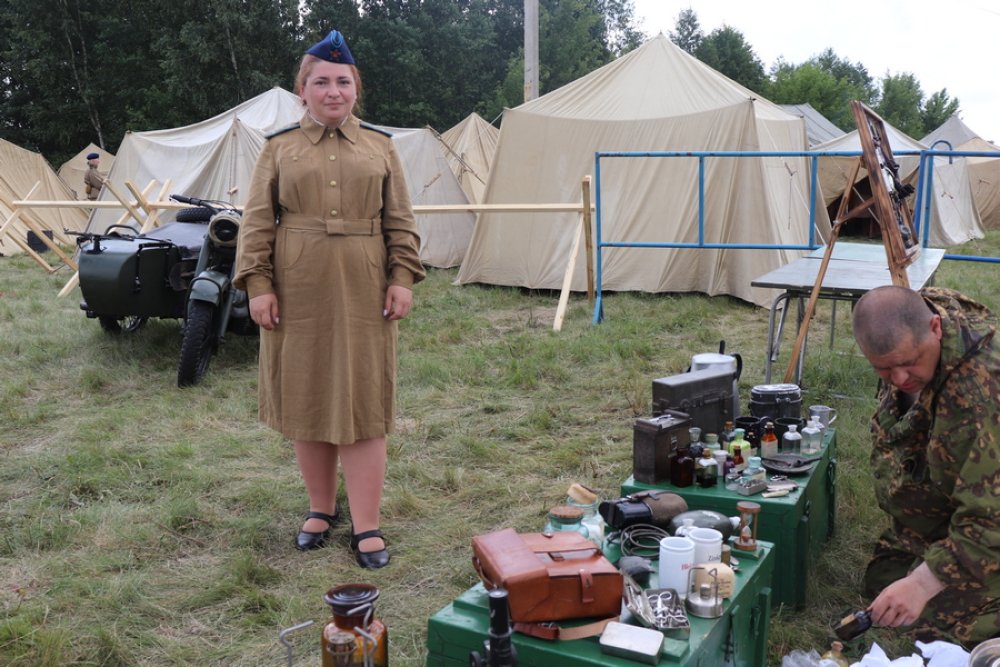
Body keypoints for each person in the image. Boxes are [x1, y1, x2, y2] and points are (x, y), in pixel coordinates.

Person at [233, 29, 424, 569]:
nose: (333, 91)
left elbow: (401, 220)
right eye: (321, 82)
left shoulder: (382, 146)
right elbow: (256, 222)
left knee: (363, 402)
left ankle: (367, 523)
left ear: (356, 88)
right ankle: (320, 508)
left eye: (342, 81)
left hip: (366, 287)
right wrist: (258, 285)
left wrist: (402, 277)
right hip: (297, 290)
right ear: (303, 90)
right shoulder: (278, 147)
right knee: (307, 396)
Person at [852, 285, 1000, 648]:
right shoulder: (922, 327)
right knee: (883, 581)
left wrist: (923, 583)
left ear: (935, 328)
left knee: (933, 630)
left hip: (991, 523)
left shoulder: (982, 397)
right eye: (884, 369)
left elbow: (992, 517)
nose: (901, 380)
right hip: (949, 518)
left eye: (909, 363)